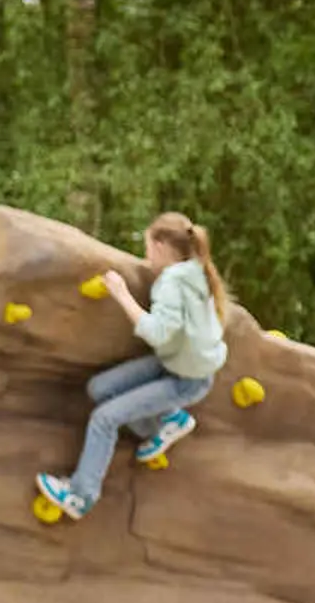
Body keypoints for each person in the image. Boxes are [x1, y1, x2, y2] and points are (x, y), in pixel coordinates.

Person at [37, 211, 233, 520]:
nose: (146, 257)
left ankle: (80, 495)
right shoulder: (197, 271)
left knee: (104, 419)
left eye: (147, 249)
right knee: (99, 388)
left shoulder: (171, 282)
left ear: (159, 246)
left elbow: (158, 332)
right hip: (179, 365)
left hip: (186, 379)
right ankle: (169, 421)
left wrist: (120, 294)